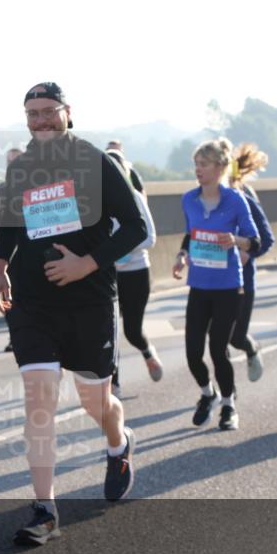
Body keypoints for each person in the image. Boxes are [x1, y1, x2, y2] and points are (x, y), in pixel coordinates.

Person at [0, 81, 146, 545]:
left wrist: (86, 264)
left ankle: (119, 445)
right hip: (33, 302)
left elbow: (135, 226)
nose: (40, 121)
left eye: (47, 111)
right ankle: (45, 508)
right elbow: (11, 222)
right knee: (39, 399)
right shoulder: (23, 168)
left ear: (67, 112)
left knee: (94, 401)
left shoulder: (94, 162)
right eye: (31, 114)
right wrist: (0, 268)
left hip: (89, 299)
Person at [172, 138, 259, 431]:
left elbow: (255, 240)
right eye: (196, 164)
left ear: (220, 167)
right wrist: (182, 255)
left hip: (227, 287)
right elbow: (191, 233)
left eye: (204, 164)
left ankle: (228, 405)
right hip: (199, 285)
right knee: (192, 353)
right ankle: (206, 394)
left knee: (218, 349)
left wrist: (236, 241)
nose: (198, 169)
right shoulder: (188, 199)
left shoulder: (235, 200)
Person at [105, 146, 163, 397]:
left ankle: (147, 351)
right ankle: (113, 382)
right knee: (109, 330)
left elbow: (149, 237)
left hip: (137, 272)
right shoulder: (97, 201)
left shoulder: (136, 198)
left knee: (131, 330)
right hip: (109, 274)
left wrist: (121, 247)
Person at [227, 143, 275, 381]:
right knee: (217, 339)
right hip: (213, 282)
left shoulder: (243, 197)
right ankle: (225, 396)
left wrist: (247, 254)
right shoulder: (201, 201)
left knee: (236, 337)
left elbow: (266, 238)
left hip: (242, 282)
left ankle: (251, 348)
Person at [0, 148, 24, 353]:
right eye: (9, 161)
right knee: (9, 291)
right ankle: (14, 333)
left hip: (27, 238)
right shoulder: (4, 186)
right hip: (10, 237)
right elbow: (6, 211)